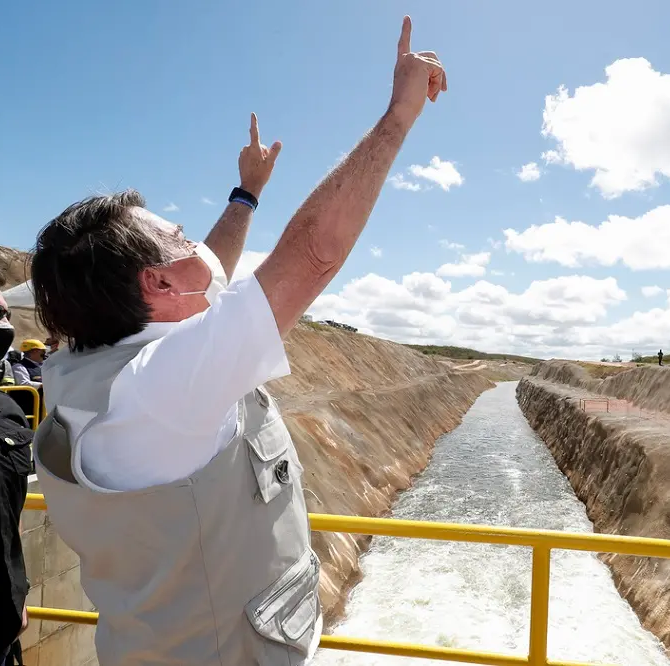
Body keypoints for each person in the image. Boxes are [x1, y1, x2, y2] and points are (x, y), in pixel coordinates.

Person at [30, 17, 445, 665]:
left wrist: (246, 193)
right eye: (178, 235)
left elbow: (210, 270)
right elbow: (314, 253)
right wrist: (398, 116)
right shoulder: (161, 387)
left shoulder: (98, 365)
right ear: (158, 282)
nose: (194, 241)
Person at [0, 265, 33, 666]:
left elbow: (9, 512)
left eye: (3, 315)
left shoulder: (8, 411)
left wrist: (18, 594)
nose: (2, 325)